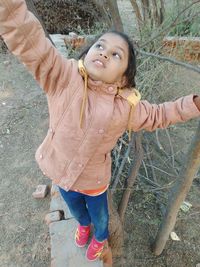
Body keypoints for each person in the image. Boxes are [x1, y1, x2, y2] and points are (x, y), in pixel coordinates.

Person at [0, 0, 200, 263]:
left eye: (116, 54)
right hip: (61, 173)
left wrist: (193, 103)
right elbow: (29, 40)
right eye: (100, 46)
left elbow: (159, 114)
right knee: (76, 210)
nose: (105, 53)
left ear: (124, 78)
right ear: (87, 53)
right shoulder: (61, 76)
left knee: (100, 217)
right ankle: (82, 226)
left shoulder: (126, 108)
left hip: (95, 183)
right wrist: (9, 8)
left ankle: (100, 237)